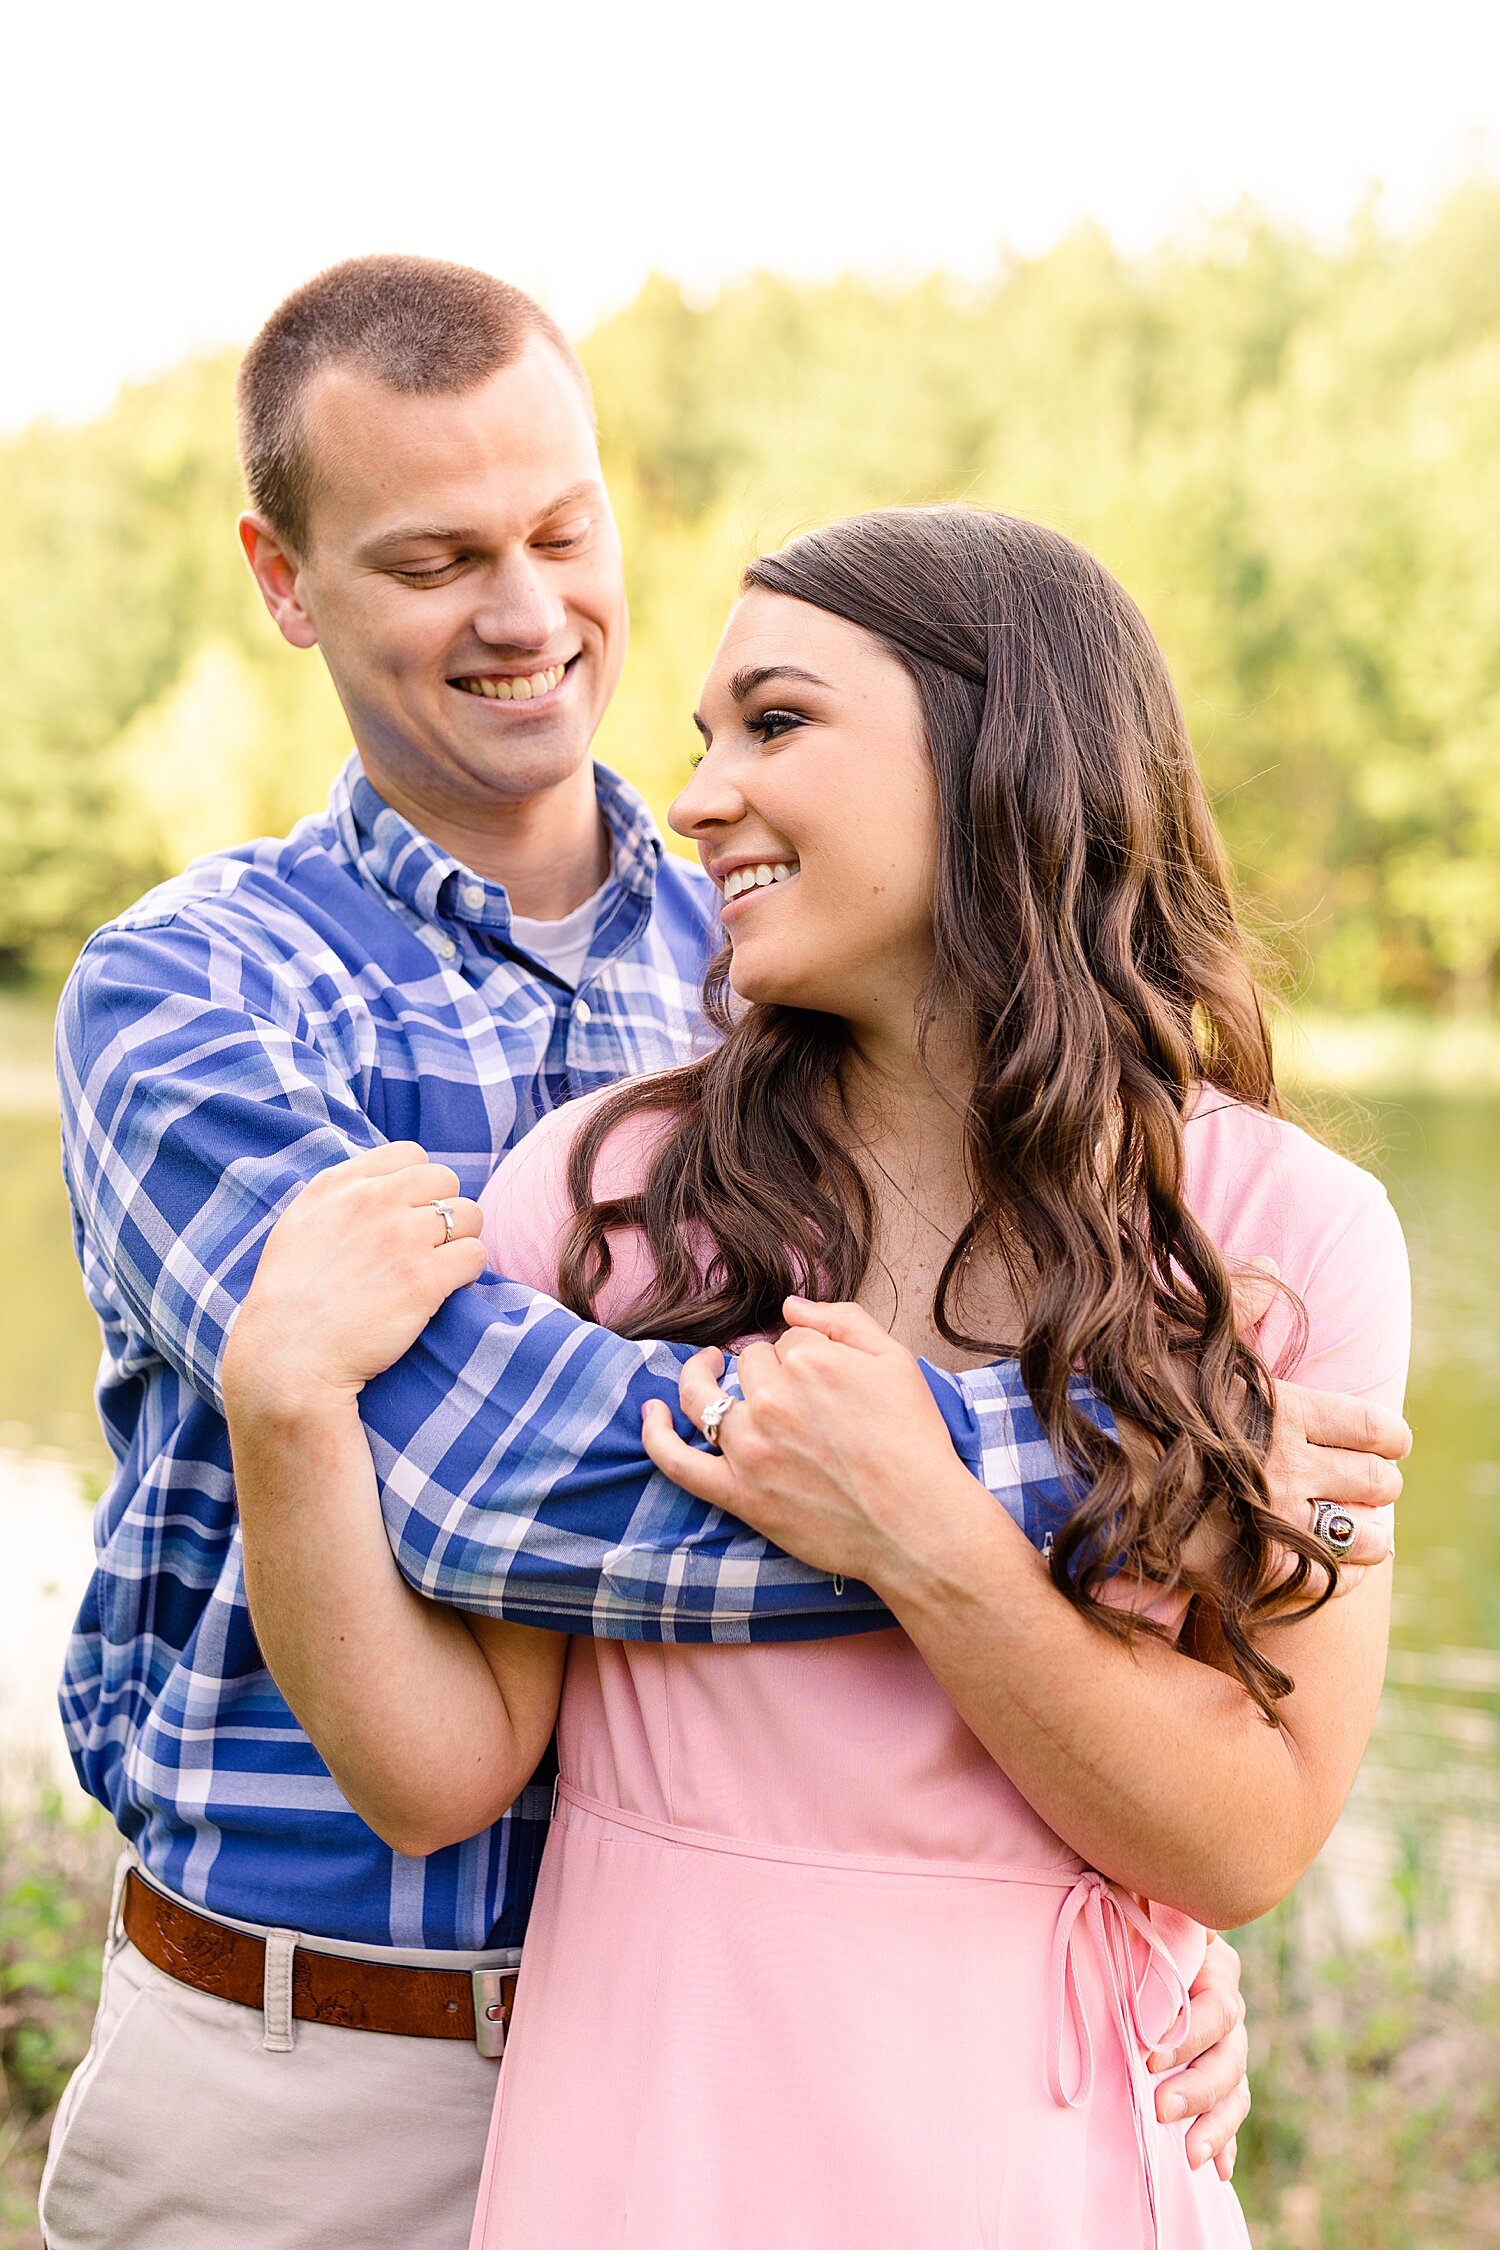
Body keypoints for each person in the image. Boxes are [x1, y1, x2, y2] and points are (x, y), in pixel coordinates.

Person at [42, 256, 1402, 2250]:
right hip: (339, 2075)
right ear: (287, 578)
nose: (524, 613)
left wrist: (1142, 1915)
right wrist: (1140, 1454)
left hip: (949, 2110)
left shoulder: (784, 972)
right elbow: (488, 1477)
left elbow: (1216, 1796)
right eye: (434, 557)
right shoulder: (228, 1005)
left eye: (561, 533)